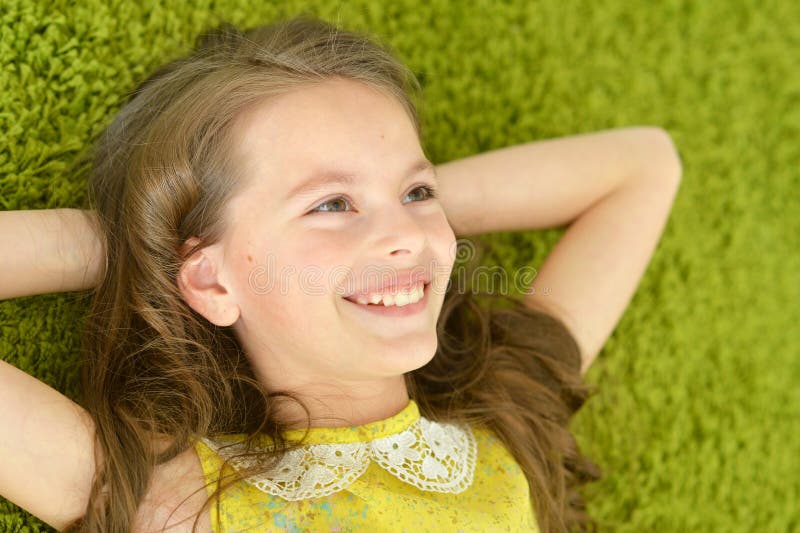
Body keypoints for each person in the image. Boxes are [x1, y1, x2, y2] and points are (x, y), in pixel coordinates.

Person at [0, 13, 683, 533]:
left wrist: (398, 201)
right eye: (330, 203)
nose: (405, 235)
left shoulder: (510, 421)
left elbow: (645, 165)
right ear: (209, 281)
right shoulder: (167, 494)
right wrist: (139, 242)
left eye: (419, 195)